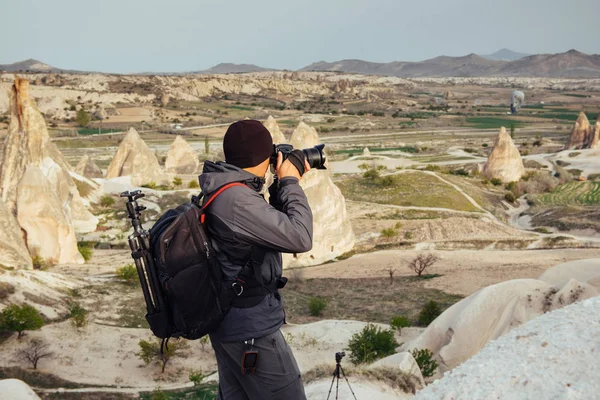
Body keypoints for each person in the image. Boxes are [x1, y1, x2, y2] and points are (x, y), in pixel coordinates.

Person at [200, 119, 313, 400]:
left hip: (231, 324)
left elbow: (266, 229)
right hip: (251, 329)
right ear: (263, 156)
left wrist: (276, 189)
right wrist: (289, 181)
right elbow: (300, 238)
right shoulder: (238, 200)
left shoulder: (226, 188)